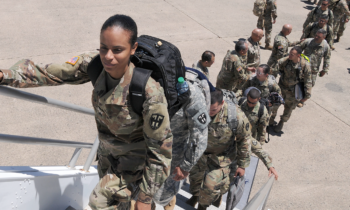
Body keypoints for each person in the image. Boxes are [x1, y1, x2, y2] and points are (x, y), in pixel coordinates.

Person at [0, 14, 173, 210]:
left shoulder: (149, 93)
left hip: (135, 165)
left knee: (99, 201)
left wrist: (145, 197)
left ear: (133, 49)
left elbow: (160, 150)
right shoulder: (95, 65)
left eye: (117, 50)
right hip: (107, 157)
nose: (108, 56)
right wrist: (4, 75)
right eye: (103, 48)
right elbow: (50, 73)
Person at [151, 69, 211, 210]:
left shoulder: (191, 93)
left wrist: (186, 166)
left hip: (173, 156)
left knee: (166, 194)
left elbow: (200, 136)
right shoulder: (146, 82)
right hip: (144, 151)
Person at [186, 88, 251, 210]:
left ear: (222, 103)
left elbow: (244, 139)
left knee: (209, 186)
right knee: (195, 179)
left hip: (221, 157)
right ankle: (195, 196)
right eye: (207, 109)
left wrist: (242, 165)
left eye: (213, 110)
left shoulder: (236, 116)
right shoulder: (199, 108)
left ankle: (202, 206)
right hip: (200, 154)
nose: (209, 112)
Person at [239, 88, 278, 178]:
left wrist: (259, 144)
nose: (250, 104)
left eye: (253, 103)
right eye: (249, 101)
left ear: (259, 99)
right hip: (237, 134)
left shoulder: (262, 111)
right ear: (247, 96)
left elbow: (262, 129)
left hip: (249, 136)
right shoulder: (241, 102)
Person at [273, 47, 312, 133]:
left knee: (289, 108)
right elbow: (275, 68)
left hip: (294, 91)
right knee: (275, 104)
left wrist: (307, 95)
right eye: (290, 53)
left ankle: (282, 122)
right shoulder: (286, 60)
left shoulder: (305, 65)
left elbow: (308, 81)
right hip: (282, 87)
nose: (289, 55)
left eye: (292, 54)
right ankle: (271, 120)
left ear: (298, 55)